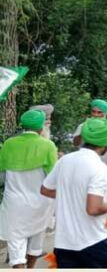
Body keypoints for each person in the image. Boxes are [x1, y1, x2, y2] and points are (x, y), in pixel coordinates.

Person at [41, 118, 107, 268]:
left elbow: (45, 189)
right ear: (106, 142)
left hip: (64, 245)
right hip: (93, 242)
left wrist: (70, 195)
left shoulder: (65, 160)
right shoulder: (99, 168)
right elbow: (93, 209)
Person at [0, 110, 58, 268]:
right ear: (41, 128)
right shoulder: (48, 146)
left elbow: (2, 175)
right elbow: (53, 177)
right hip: (40, 203)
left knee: (16, 245)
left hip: (14, 204)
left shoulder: (8, 144)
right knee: (35, 244)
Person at [73, 99, 107, 200]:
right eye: (93, 111)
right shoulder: (83, 126)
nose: (96, 115)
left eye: (100, 112)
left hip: (105, 171)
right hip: (83, 170)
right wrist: (83, 132)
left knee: (102, 200)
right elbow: (75, 143)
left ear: (106, 113)